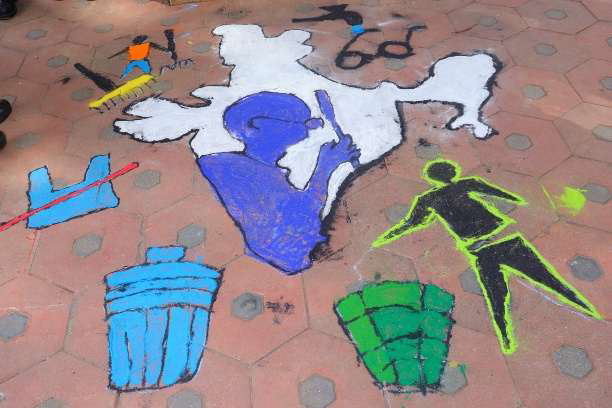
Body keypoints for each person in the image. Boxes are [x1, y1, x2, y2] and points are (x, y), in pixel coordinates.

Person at [373, 159, 601, 354]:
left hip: (482, 250)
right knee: (546, 278)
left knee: (496, 296)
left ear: (432, 178)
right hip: (506, 240)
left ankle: (505, 336)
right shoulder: (466, 183)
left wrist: (386, 237)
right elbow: (497, 192)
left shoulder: (428, 199)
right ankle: (582, 306)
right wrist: (517, 199)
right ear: (452, 172)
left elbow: (410, 223)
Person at [197, 90, 360, 274]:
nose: (308, 126)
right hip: (271, 266)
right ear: (255, 125)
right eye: (293, 120)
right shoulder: (230, 169)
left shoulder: (266, 172)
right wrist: (325, 167)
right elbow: (294, 223)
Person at [109, 31, 176, 79]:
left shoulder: (139, 46)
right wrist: (166, 50)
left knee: (132, 67)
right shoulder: (145, 45)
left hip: (138, 61)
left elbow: (123, 51)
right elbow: (157, 46)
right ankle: (124, 75)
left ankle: (124, 75)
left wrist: (166, 50)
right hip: (139, 61)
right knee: (133, 67)